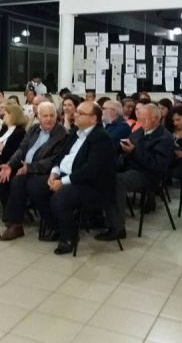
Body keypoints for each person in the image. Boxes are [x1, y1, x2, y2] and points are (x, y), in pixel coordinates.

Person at [49, 101, 117, 254]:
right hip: (67, 176)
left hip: (91, 185)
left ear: (93, 119)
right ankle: (56, 226)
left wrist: (63, 182)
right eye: (76, 112)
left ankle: (69, 237)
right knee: (35, 186)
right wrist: (54, 172)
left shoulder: (101, 138)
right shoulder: (76, 132)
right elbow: (62, 154)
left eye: (80, 113)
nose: (75, 115)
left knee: (60, 198)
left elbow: (90, 170)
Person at [101, 104, 175, 241]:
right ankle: (98, 216)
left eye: (144, 119)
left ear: (156, 119)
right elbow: (130, 143)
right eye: (139, 119)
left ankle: (117, 228)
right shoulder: (141, 130)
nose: (140, 122)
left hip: (148, 175)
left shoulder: (164, 138)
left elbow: (157, 164)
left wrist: (134, 151)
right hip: (131, 167)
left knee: (117, 181)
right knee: (101, 172)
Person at [0, 102, 67, 241]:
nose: (49, 119)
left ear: (56, 116)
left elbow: (55, 159)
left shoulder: (61, 133)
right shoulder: (34, 129)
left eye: (52, 115)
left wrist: (30, 168)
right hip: (28, 168)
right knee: (3, 179)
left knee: (26, 184)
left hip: (48, 172)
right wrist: (10, 165)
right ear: (38, 117)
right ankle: (15, 222)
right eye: (45, 116)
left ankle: (50, 224)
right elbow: (22, 149)